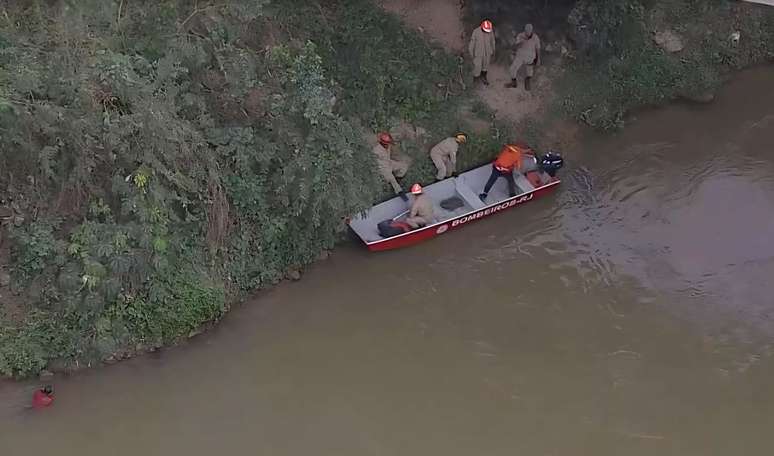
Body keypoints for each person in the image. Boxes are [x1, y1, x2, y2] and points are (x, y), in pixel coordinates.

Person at [372, 132, 409, 201]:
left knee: (403, 166)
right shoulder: (376, 151)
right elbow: (376, 163)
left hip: (389, 162)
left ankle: (398, 178)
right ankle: (399, 192)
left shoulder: (388, 146)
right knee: (391, 179)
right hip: (382, 168)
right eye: (387, 143)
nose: (388, 144)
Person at [506, 23, 541, 91]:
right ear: (525, 30)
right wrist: (521, 42)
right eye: (527, 31)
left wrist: (538, 58)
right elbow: (515, 46)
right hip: (520, 55)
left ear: (532, 30)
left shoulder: (535, 37)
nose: (528, 32)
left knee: (529, 72)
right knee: (512, 69)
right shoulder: (520, 35)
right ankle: (513, 82)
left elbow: (538, 48)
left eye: (529, 31)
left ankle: (527, 82)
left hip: (530, 56)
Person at [468, 20, 496, 86]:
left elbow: (492, 41)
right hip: (478, 53)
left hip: (487, 52)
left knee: (485, 66)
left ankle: (484, 77)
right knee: (477, 67)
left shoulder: (490, 30)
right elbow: (472, 44)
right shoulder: (476, 32)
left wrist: (493, 50)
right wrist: (471, 53)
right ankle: (476, 79)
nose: (487, 32)